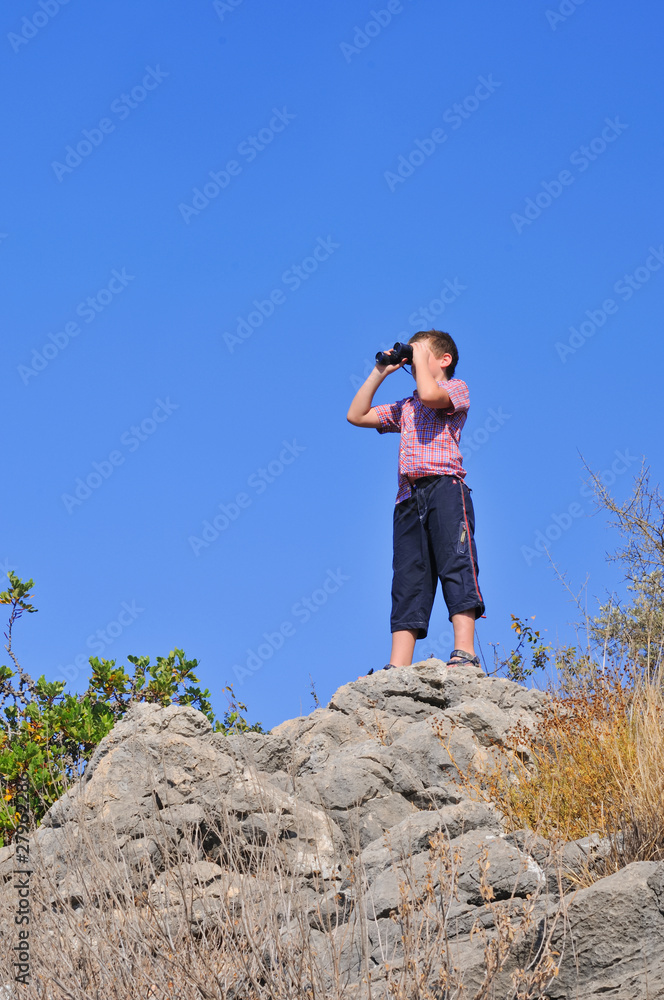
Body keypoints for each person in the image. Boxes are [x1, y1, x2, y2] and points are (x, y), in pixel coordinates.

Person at [346, 329, 485, 672]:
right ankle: (398, 667)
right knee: (407, 578)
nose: (414, 359)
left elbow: (429, 393)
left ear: (444, 359)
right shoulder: (407, 406)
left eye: (423, 353)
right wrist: (381, 370)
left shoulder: (456, 389)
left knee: (456, 561)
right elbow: (357, 415)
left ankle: (464, 651)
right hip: (408, 498)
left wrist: (420, 356)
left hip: (445, 487)